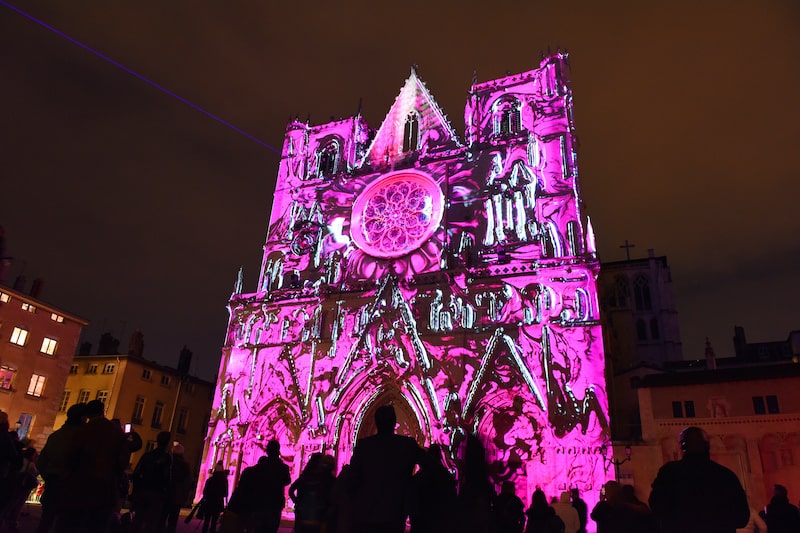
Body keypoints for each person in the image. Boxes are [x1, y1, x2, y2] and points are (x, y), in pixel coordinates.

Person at [649, 426, 749, 533]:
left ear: (682, 446)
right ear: (707, 445)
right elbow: (742, 518)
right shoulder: (726, 476)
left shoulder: (669, 473)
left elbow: (657, 507)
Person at [349, 405, 429, 533]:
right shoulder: (406, 445)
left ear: (376, 422)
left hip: (367, 515)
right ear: (394, 422)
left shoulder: (364, 446)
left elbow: (352, 479)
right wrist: (412, 485)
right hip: (394, 513)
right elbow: (430, 465)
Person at [58, 399, 131, 532]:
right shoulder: (116, 433)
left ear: (87, 415)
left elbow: (70, 457)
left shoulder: (82, 431)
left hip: (81, 486)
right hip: (106, 488)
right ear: (103, 411)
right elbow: (123, 461)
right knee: (98, 525)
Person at [36, 403, 87, 533]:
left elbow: (41, 461)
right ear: (82, 418)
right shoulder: (81, 438)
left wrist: (49, 477)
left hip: (52, 484)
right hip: (70, 489)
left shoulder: (56, 435)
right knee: (64, 525)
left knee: (45, 522)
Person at [226, 440, 291, 533]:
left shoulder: (257, 468)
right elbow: (287, 481)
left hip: (258, 504)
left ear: (267, 451)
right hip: (274, 505)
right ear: (278, 451)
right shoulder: (282, 468)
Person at [131, 430, 172, 533]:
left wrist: (137, 489)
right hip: (157, 492)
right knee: (151, 522)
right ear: (167, 443)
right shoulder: (166, 458)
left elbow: (136, 473)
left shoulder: (147, 456)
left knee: (138, 519)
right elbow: (166, 476)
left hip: (143, 490)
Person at [409, 445, 457, 533]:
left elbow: (412, 500)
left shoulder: (420, 477)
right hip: (437, 521)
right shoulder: (445, 476)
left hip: (424, 521)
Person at [289, 453, 336, 533]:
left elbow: (291, 490)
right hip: (317, 516)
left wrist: (298, 502)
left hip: (305, 514)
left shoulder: (306, 476)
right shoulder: (327, 480)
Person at [163, 442, 193, 533]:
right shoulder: (185, 466)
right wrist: (185, 497)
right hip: (177, 497)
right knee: (173, 520)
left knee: (162, 517)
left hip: (165, 494)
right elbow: (187, 483)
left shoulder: (167, 462)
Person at [201, 462, 228, 533]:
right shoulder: (224, 481)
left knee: (206, 521)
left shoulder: (210, 480)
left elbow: (205, 492)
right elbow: (225, 494)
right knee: (214, 522)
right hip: (218, 503)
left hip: (209, 502)